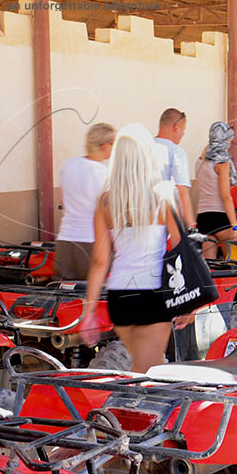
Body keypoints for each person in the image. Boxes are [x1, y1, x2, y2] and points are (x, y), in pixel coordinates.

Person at [84, 124, 184, 373]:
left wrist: (89, 311)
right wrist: (188, 302)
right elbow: (183, 247)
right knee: (145, 372)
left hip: (120, 295)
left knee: (143, 368)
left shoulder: (106, 201)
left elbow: (99, 261)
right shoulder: (163, 194)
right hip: (153, 293)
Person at [54, 123, 115, 280]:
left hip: (65, 240)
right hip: (91, 242)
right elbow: (108, 213)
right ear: (105, 146)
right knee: (92, 297)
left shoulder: (68, 165)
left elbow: (64, 202)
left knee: (63, 299)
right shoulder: (103, 174)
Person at [195, 121, 237, 260]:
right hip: (220, 217)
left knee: (210, 266)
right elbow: (226, 196)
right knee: (232, 264)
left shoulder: (200, 161)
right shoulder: (222, 163)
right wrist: (235, 227)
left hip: (202, 217)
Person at [154, 108, 195, 228]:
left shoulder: (142, 148)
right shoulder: (176, 152)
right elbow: (182, 191)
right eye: (183, 129)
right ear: (176, 127)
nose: (183, 133)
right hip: (166, 223)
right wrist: (191, 227)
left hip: (139, 221)